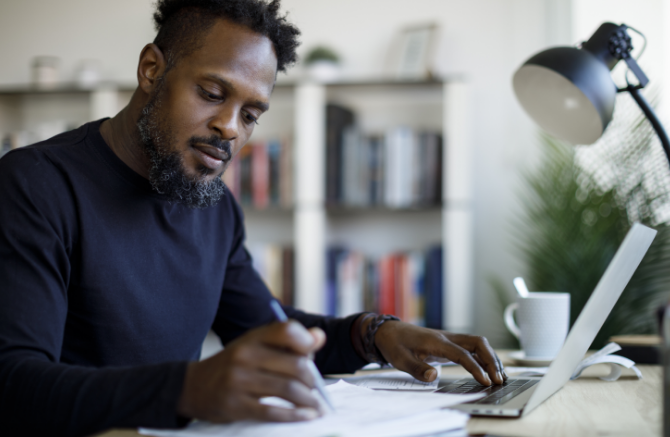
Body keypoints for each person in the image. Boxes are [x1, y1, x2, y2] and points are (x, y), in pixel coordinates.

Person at [0, 0, 507, 435]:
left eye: (250, 114)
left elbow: (270, 330)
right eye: (213, 93)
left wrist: (375, 334)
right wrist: (188, 388)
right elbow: (14, 382)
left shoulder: (215, 207)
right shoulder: (34, 186)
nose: (228, 128)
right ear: (152, 70)